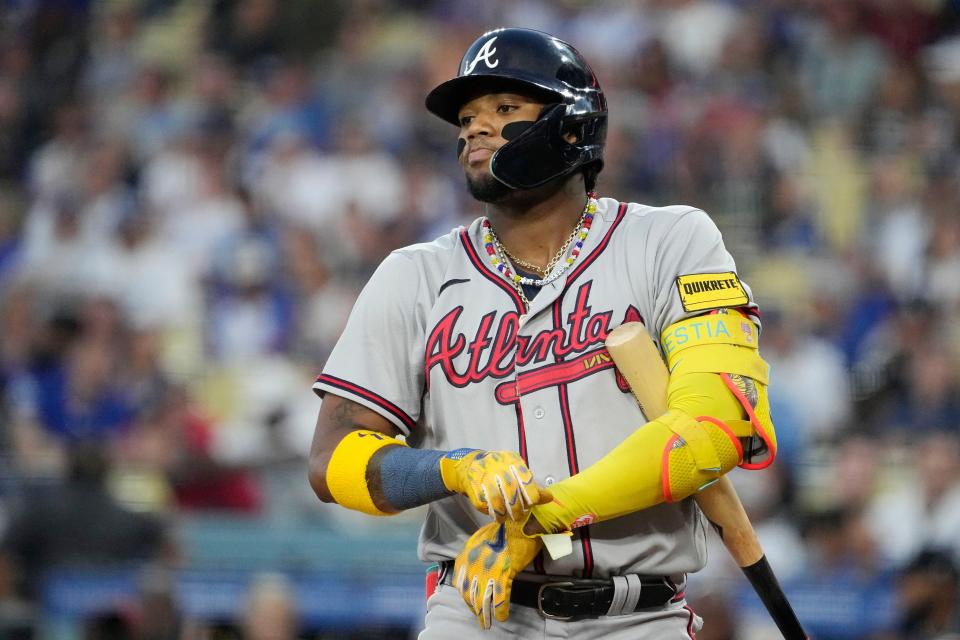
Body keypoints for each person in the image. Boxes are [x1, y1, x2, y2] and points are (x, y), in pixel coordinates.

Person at [308, 27, 777, 639]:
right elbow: (330, 461)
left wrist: (537, 522)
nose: (475, 127)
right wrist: (452, 468)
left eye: (505, 110)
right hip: (476, 610)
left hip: (637, 615)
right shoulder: (414, 276)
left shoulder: (671, 241)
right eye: (468, 116)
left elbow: (719, 427)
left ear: (572, 125)